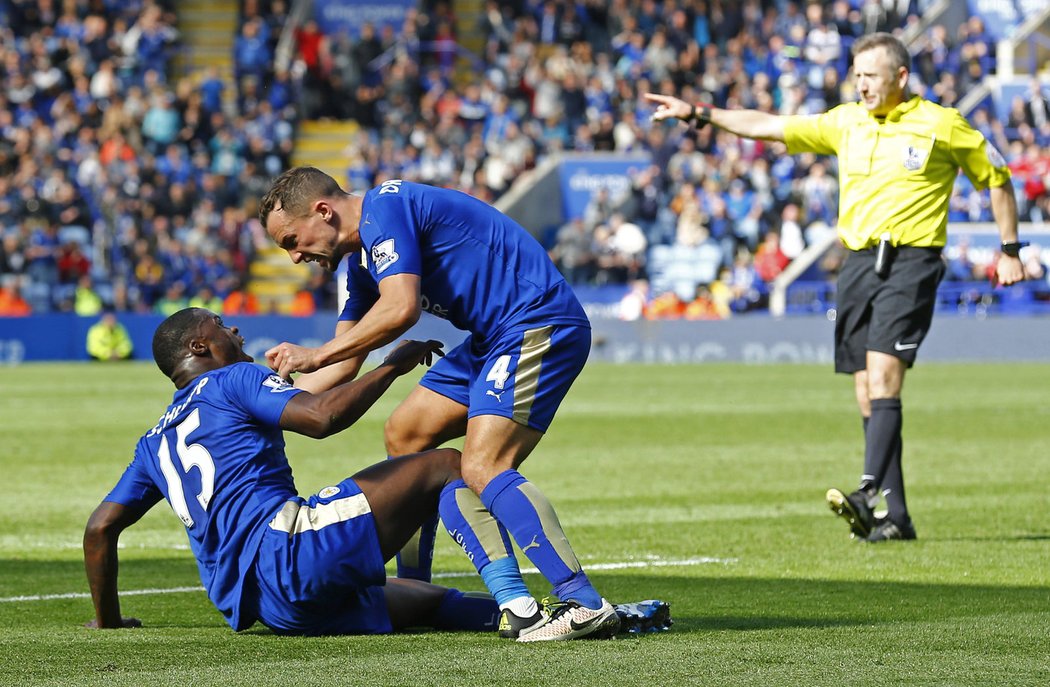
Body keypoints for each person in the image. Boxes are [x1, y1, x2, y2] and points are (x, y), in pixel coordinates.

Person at [646, 32, 1025, 543]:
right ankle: (896, 518)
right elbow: (769, 126)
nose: (860, 84)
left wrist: (1009, 250)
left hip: (911, 261)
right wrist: (698, 112)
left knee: (884, 373)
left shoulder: (942, 124)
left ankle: (868, 491)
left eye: (870, 75)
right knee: (867, 389)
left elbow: (996, 178)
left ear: (901, 76)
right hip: (857, 264)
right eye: (857, 75)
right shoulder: (844, 121)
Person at [258, 168, 620, 641]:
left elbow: (401, 309)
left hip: (538, 322)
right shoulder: (360, 264)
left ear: (324, 212)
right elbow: (342, 365)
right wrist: (264, 395)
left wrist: (315, 354)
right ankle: (414, 589)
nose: (294, 257)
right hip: (491, 339)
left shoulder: (384, 209)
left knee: (483, 464)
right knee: (405, 434)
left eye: (291, 239)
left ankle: (583, 602)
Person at [84, 307, 501, 636]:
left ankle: (532, 616)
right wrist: (392, 366)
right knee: (444, 464)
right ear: (198, 346)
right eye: (222, 326)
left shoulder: (153, 442)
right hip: (292, 553)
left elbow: (100, 527)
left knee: (432, 601)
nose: (236, 332)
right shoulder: (232, 378)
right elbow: (322, 418)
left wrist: (108, 620)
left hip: (271, 607)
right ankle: (517, 600)